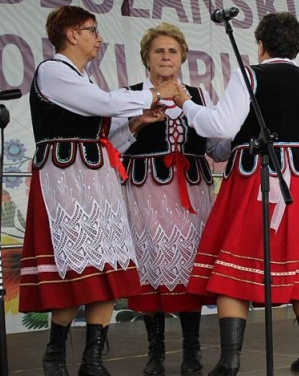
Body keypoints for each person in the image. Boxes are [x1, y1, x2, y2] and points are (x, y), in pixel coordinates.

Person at [18, 6, 179, 376]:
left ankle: (92, 361)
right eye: (92, 30)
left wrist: (136, 124)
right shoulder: (53, 71)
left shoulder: (83, 79)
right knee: (74, 269)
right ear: (72, 34)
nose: (99, 38)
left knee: (107, 268)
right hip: (65, 184)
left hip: (96, 184)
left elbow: (105, 143)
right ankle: (55, 355)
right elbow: (104, 104)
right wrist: (153, 94)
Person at [173, 12, 299, 376]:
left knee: (236, 257)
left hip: (260, 174)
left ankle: (230, 358)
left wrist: (187, 105)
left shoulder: (250, 75)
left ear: (261, 45)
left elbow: (221, 125)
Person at [121, 23, 230, 375]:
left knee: (189, 265)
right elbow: (113, 147)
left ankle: (191, 349)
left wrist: (237, 133)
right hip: (146, 192)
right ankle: (155, 351)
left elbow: (215, 147)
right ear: (146, 58)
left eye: (172, 51)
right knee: (150, 263)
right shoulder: (130, 96)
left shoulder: (196, 96)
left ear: (182, 58)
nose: (166, 57)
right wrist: (136, 123)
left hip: (192, 193)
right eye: (159, 51)